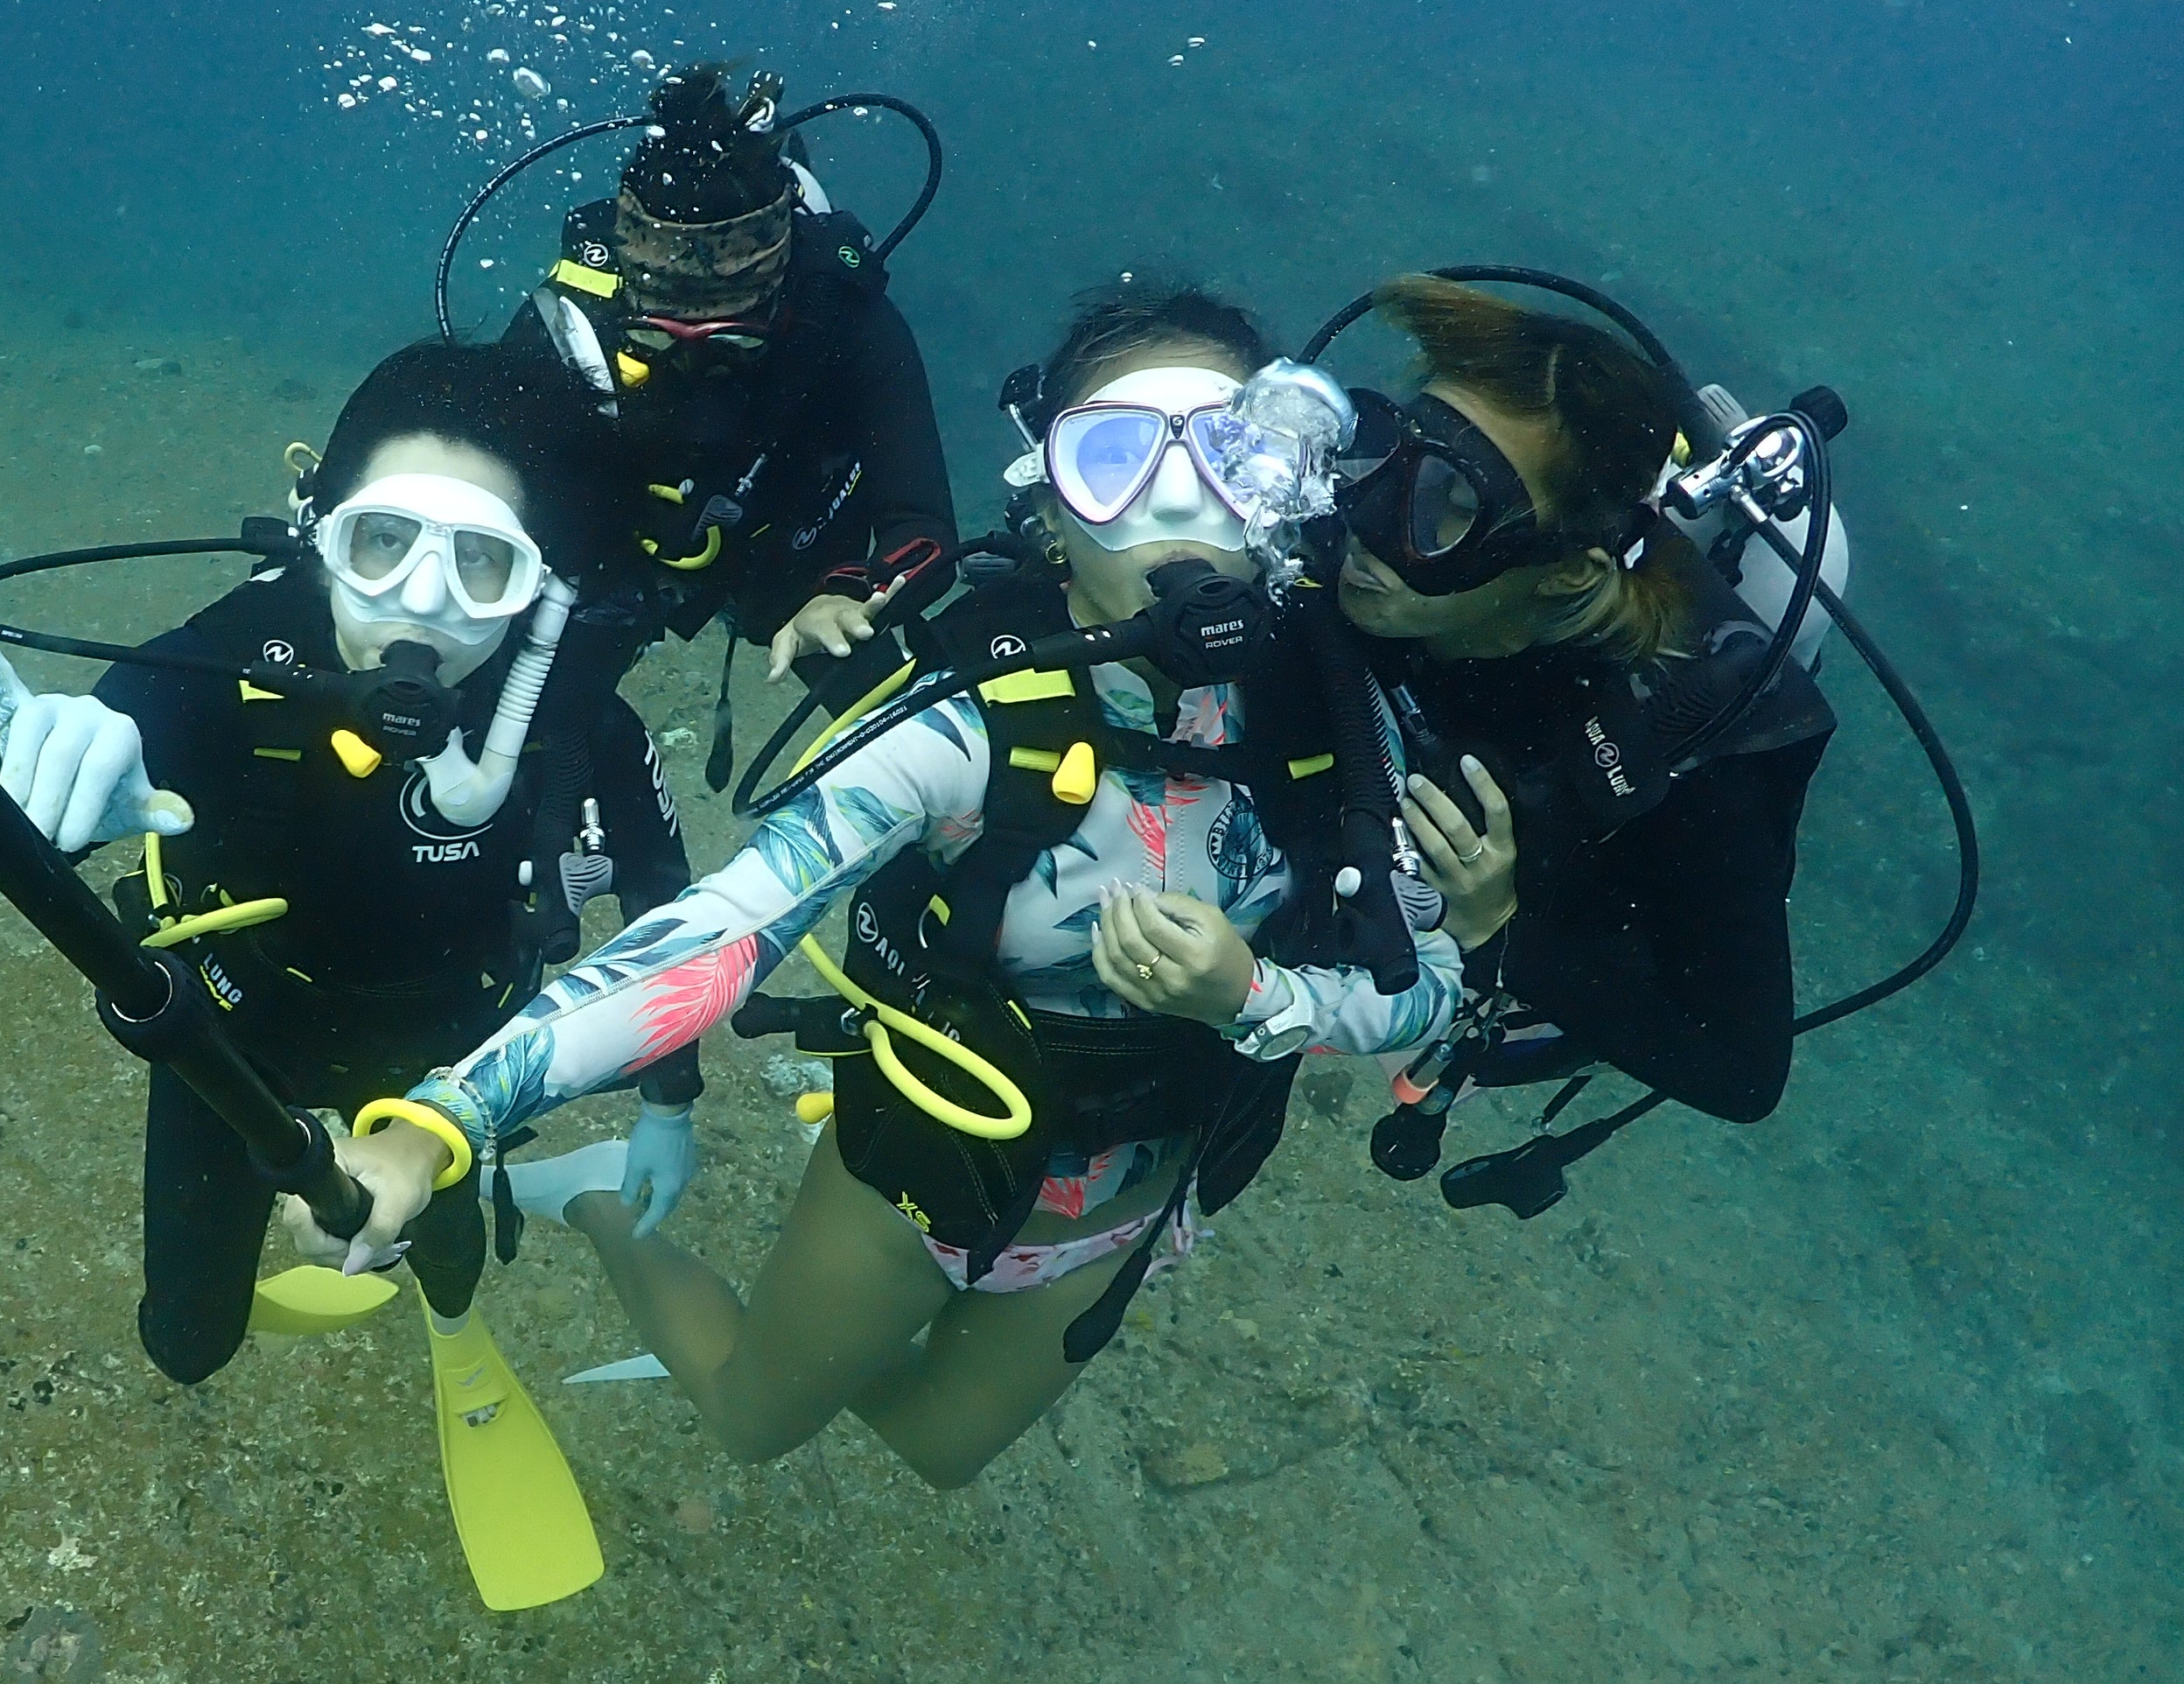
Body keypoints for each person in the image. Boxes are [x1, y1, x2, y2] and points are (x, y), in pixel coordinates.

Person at [316, 284, 1461, 1489]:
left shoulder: (1339, 722)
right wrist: (441, 1120)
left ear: (1290, 482)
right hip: (917, 1176)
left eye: (1232, 451)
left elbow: (1434, 989)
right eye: (1114, 455)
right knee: (754, 1421)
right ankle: (603, 1203)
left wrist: (1257, 993)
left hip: (1131, 1205)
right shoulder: (963, 733)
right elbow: (725, 932)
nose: (1175, 501)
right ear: (1051, 504)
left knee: (936, 1448)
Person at [0, 340, 696, 1606]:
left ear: (539, 593)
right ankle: (429, 1228)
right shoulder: (246, 648)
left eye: (483, 565)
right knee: (187, 1347)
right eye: (383, 546)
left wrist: (671, 1094)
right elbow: (147, 695)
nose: (421, 605)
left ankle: (460, 1319)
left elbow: (666, 909)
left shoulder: (580, 725)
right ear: (319, 532)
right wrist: (92, 729)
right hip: (232, 1034)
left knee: (449, 1254)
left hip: (449, 1067)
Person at [1327, 276, 1836, 1201]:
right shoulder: (1371, 554)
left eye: (1448, 500)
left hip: (1560, 933)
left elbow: (1741, 1071)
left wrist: (1497, 933)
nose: (1366, 514)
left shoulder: (1686, 759)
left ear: (1565, 577)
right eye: (1389, 451)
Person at [508, 62, 959, 745]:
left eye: (733, 341)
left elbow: (922, 525)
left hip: (799, 570)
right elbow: (469, 455)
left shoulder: (845, 318)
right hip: (614, 552)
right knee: (516, 715)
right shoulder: (573, 314)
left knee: (919, 739)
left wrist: (851, 596)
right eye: (658, 337)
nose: (699, 359)